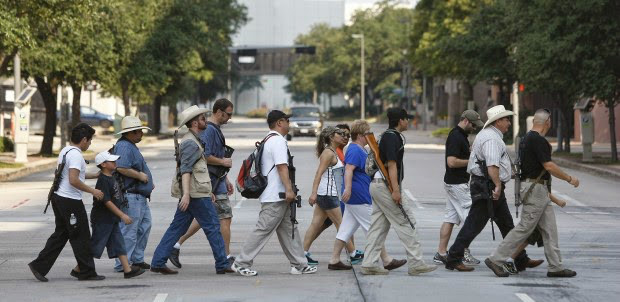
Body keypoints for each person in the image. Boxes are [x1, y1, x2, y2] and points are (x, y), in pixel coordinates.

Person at [445, 105, 543, 272]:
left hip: (488, 186)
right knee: (473, 225)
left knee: (506, 225)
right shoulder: (491, 138)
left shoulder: (491, 135)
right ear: (497, 121)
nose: (509, 123)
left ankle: (520, 259)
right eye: (506, 120)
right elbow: (491, 165)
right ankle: (453, 257)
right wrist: (497, 185)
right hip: (488, 187)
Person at [485, 108, 579, 278]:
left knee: (550, 230)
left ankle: (555, 267)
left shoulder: (526, 139)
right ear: (548, 122)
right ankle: (496, 258)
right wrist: (569, 178)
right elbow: (548, 166)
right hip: (535, 190)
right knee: (524, 228)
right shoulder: (538, 140)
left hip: (537, 189)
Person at [231, 110, 318, 277]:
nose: (289, 124)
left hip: (278, 195)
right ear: (279, 123)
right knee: (263, 229)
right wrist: (288, 189)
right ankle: (241, 263)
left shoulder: (268, 139)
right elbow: (281, 166)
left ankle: (299, 264)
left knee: (290, 229)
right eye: (286, 120)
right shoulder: (277, 141)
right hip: (276, 196)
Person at [150, 105, 232, 275]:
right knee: (213, 226)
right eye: (202, 119)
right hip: (194, 194)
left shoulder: (194, 139)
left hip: (196, 192)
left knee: (177, 228)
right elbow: (185, 170)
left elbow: (194, 171)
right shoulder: (190, 143)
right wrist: (186, 194)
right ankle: (222, 263)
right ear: (195, 123)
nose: (205, 121)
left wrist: (206, 190)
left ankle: (158, 261)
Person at [361, 109, 437, 276]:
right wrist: (396, 191)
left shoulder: (387, 136)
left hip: (377, 185)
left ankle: (369, 263)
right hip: (385, 187)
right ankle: (416, 263)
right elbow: (391, 165)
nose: (408, 122)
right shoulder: (392, 137)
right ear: (400, 120)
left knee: (378, 227)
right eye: (406, 119)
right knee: (407, 222)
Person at [28, 123, 106, 281]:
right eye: (90, 141)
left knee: (61, 234)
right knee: (81, 235)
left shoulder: (66, 150)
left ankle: (39, 266)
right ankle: (86, 272)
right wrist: (93, 191)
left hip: (59, 198)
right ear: (84, 139)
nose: (90, 143)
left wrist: (94, 176)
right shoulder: (76, 155)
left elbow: (70, 175)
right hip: (70, 201)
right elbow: (73, 180)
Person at [328, 120, 406, 272]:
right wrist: (348, 189)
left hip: (356, 196)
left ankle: (334, 259)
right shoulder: (355, 150)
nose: (370, 135)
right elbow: (349, 169)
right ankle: (386, 260)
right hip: (358, 195)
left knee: (345, 229)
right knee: (373, 228)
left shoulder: (360, 149)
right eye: (367, 133)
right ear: (360, 135)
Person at [168, 98, 236, 268]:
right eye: (228, 114)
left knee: (205, 218)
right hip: (208, 183)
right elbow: (204, 157)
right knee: (223, 218)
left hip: (214, 181)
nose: (229, 118)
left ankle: (174, 245)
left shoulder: (213, 130)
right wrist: (223, 163)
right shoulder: (209, 131)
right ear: (219, 112)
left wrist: (225, 177)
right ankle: (225, 257)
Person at [78, 151, 145, 279]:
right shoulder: (103, 180)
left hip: (111, 218)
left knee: (119, 243)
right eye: (112, 161)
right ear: (103, 164)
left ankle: (127, 270)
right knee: (96, 245)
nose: (115, 163)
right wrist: (122, 215)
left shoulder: (111, 176)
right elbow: (107, 202)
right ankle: (79, 268)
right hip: (102, 218)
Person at [434, 110, 484, 266]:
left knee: (450, 218)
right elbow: (452, 162)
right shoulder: (456, 137)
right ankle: (463, 253)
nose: (475, 128)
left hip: (453, 182)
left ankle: (441, 253)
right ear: (466, 121)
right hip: (457, 184)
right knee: (469, 219)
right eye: (474, 125)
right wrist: (472, 160)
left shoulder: (460, 135)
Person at [302, 126, 356, 266]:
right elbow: (318, 173)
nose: (343, 136)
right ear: (332, 137)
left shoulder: (333, 152)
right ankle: (354, 254)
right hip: (327, 194)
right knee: (342, 225)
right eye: (340, 134)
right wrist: (313, 193)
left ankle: (303, 254)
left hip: (327, 194)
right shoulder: (328, 153)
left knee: (315, 225)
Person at [112, 116, 154, 272]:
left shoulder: (130, 145)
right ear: (131, 132)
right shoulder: (124, 146)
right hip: (131, 196)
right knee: (129, 231)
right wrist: (141, 176)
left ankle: (137, 259)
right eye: (139, 132)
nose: (141, 134)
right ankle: (123, 264)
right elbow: (121, 167)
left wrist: (148, 181)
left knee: (144, 227)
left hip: (139, 195)